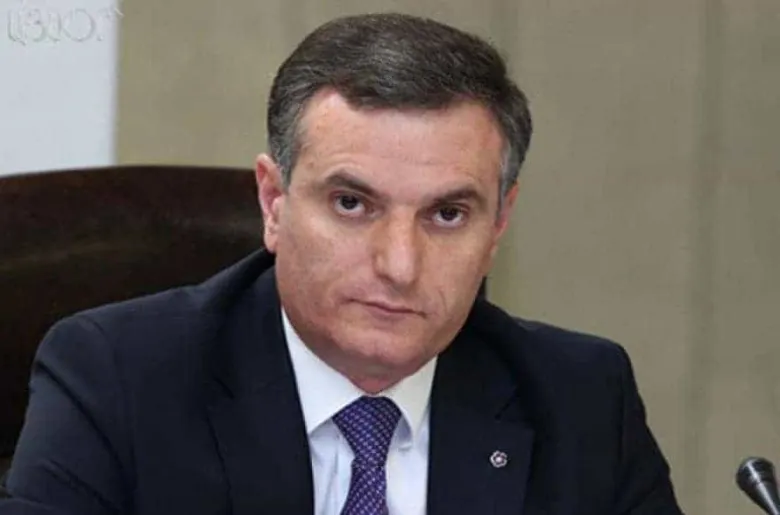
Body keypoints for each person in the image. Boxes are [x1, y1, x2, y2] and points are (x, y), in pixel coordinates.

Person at [0, 12, 684, 515]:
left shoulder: (581, 398)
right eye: (353, 204)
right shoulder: (119, 380)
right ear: (273, 202)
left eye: (447, 213)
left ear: (499, 223)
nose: (400, 264)